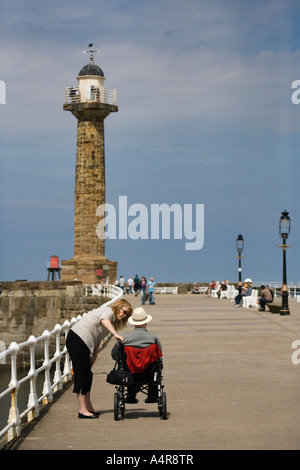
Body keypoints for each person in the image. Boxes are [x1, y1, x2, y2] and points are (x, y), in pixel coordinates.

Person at [66, 298, 133, 419]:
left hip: (85, 343)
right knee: (81, 375)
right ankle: (82, 410)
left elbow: (98, 339)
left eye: (126, 315)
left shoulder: (112, 322)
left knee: (88, 374)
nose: (124, 315)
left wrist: (95, 356)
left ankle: (89, 407)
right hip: (77, 338)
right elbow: (103, 320)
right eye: (124, 311)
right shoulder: (108, 311)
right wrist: (114, 334)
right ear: (119, 306)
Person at [111, 307, 163, 403]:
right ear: (146, 322)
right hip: (149, 373)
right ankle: (153, 396)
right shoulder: (153, 338)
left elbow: (114, 356)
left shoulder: (124, 338)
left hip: (130, 372)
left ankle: (131, 395)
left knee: (128, 367)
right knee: (155, 367)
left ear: (133, 323)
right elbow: (159, 357)